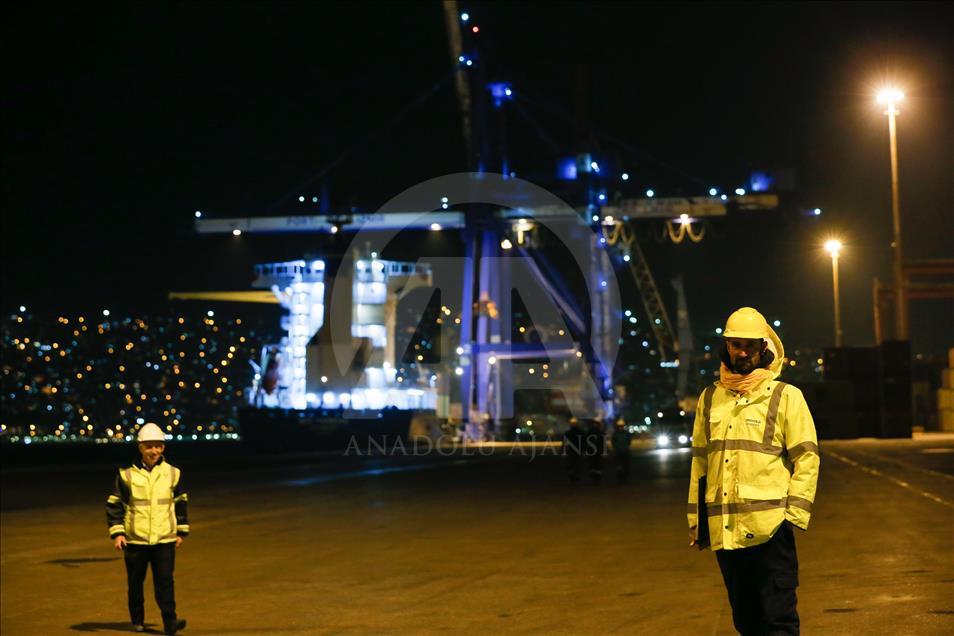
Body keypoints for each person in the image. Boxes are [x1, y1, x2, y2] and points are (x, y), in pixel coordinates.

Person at [687, 307, 819, 636]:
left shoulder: (786, 397)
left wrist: (794, 515)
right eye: (735, 344)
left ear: (763, 348)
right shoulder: (709, 399)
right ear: (726, 347)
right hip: (726, 532)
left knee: (779, 622)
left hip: (771, 530)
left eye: (749, 344)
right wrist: (697, 522)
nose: (742, 351)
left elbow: (807, 457)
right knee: (746, 622)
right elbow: (700, 465)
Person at [106, 423, 189, 634]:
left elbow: (181, 502)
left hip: (164, 539)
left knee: (165, 583)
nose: (154, 451)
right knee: (135, 583)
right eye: (149, 446)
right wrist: (118, 533)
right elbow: (114, 504)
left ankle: (170, 622)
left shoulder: (173, 473)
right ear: (140, 447)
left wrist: (181, 531)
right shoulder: (126, 475)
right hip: (136, 539)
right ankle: (137, 620)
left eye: (158, 446)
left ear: (163, 447)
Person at [584, 418, 605, 483]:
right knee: (597, 463)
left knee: (592, 462)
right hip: (597, 450)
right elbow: (603, 442)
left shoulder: (589, 432)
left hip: (591, 450)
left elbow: (585, 441)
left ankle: (593, 475)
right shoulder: (600, 432)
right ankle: (597, 475)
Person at [563, 417, 584, 483]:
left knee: (572, 463)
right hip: (577, 450)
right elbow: (583, 441)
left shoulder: (568, 432)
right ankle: (575, 475)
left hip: (572, 450)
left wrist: (563, 448)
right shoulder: (580, 432)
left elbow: (565, 442)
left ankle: (572, 475)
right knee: (576, 463)